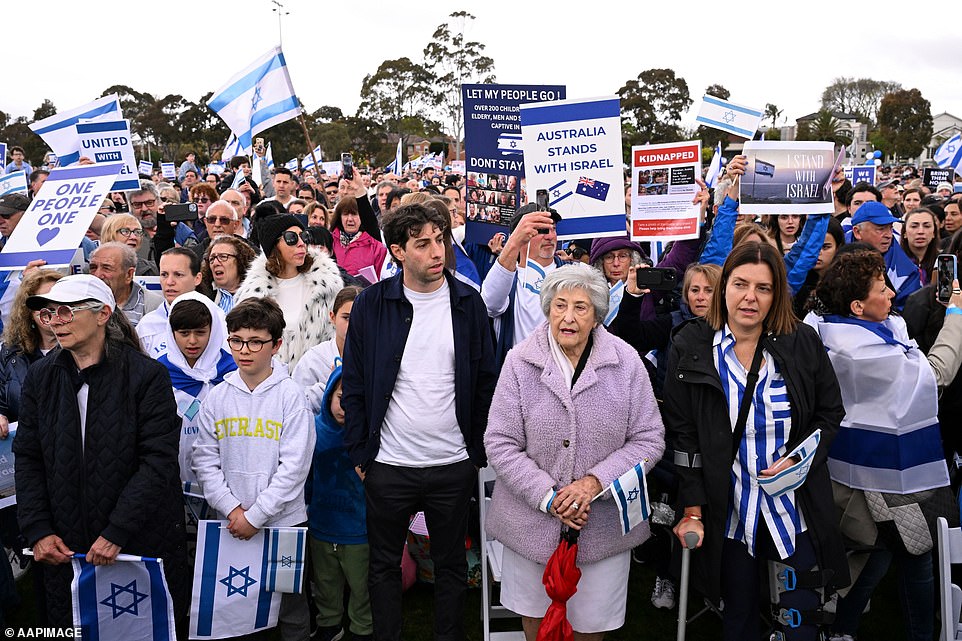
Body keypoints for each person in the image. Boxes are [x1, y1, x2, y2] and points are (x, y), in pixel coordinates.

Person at [664, 242, 849, 641]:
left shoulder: (802, 342)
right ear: (723, 287)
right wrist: (693, 507)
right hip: (729, 511)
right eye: (740, 284)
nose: (750, 297)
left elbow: (829, 414)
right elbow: (684, 437)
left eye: (763, 288)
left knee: (801, 620)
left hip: (794, 508)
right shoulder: (690, 346)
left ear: (776, 295)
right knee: (739, 618)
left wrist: (800, 459)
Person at [341, 203, 497, 641]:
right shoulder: (371, 305)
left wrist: (475, 452)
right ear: (397, 251)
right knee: (383, 567)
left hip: (453, 465)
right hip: (388, 466)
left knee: (452, 568)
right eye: (422, 243)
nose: (436, 251)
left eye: (440, 239)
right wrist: (361, 454)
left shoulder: (469, 302)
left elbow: (486, 381)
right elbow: (353, 384)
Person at [484, 263, 665, 640]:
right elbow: (500, 442)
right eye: (560, 305)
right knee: (537, 624)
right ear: (547, 309)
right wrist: (549, 497)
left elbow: (649, 440)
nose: (568, 317)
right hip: (530, 528)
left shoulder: (627, 361)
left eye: (581, 307)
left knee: (590, 629)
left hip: (603, 530)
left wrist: (592, 484)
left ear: (597, 314)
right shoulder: (520, 361)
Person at [14, 274, 188, 626]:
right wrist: (38, 529)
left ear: (103, 314)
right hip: (66, 547)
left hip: (136, 543)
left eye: (66, 311)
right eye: (49, 313)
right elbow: (28, 457)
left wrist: (116, 532)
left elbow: (157, 462)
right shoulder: (41, 377)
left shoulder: (146, 376)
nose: (55, 321)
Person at [806, 249, 962, 641]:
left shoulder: (827, 328)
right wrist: (957, 317)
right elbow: (933, 375)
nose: (892, 294)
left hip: (854, 470)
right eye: (882, 288)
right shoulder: (862, 352)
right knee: (915, 556)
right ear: (858, 306)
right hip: (885, 478)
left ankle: (842, 629)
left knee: (880, 555)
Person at [192, 297, 314, 640]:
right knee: (235, 601)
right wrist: (233, 509)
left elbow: (295, 467)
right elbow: (204, 458)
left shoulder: (291, 397)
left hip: (283, 522)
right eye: (236, 340)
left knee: (289, 606)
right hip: (231, 522)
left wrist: (256, 515)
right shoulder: (217, 396)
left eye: (256, 341)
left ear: (275, 345)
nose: (244, 350)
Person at [307, 364, 374, 641]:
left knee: (361, 584)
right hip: (321, 525)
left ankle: (362, 627)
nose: (345, 408)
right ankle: (329, 623)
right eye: (340, 398)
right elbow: (305, 474)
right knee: (324, 582)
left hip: (358, 529)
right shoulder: (314, 429)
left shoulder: (370, 435)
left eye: (354, 402)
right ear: (329, 397)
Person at [235, 214, 344, 367]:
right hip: (267, 382)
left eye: (304, 237)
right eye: (291, 238)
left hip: (316, 380)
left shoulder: (327, 286)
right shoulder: (252, 293)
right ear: (274, 245)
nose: (301, 244)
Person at [157, 292, 233, 501]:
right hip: (172, 476)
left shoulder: (232, 371)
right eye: (184, 333)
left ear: (214, 331)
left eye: (200, 332)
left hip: (225, 478)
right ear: (171, 333)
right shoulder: (158, 372)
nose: (192, 341)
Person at [482, 203, 566, 364]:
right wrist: (513, 244)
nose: (549, 236)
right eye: (541, 230)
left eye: (553, 229)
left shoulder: (572, 274)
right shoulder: (508, 278)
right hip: (517, 380)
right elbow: (489, 305)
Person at [293, 285, 362, 413]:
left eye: (360, 318)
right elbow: (295, 402)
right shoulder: (314, 358)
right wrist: (329, 387)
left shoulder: (377, 357)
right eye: (346, 318)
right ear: (332, 317)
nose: (353, 324)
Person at [850, 201, 922, 309]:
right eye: (881, 229)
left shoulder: (907, 272)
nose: (889, 235)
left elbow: (908, 312)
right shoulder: (834, 251)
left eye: (891, 228)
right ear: (857, 232)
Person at [136, 248, 203, 358]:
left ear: (197, 278)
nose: (169, 282)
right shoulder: (146, 326)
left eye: (178, 274)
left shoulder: (216, 318)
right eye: (164, 275)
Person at [88, 242, 163, 324]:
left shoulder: (153, 305)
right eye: (93, 268)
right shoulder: (83, 303)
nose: (97, 274)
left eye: (106, 268)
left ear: (129, 274)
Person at [200, 236, 257, 315]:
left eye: (223, 257)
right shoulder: (202, 297)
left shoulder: (259, 296)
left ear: (240, 261)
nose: (215, 263)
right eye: (212, 259)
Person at [899, 207, 940, 284]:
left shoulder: (942, 262)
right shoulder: (893, 264)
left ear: (934, 232)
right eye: (914, 226)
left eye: (927, 226)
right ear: (904, 233)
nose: (920, 231)